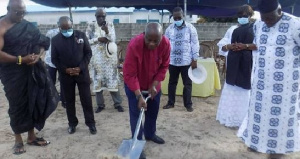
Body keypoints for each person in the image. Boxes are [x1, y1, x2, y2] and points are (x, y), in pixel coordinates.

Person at [237, 0, 300, 158]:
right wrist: (245, 46)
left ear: (279, 11)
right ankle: (257, 142)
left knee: (280, 119)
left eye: (270, 18)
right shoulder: (259, 25)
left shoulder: (295, 25)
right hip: (261, 82)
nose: (267, 22)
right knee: (258, 116)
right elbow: (260, 45)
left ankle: (277, 150)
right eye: (264, 18)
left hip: (284, 87)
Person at [0, 0, 58, 155]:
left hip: (30, 70)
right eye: (17, 12)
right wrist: (21, 59)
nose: (21, 15)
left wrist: (37, 57)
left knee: (32, 100)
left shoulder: (27, 26)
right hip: (12, 74)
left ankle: (31, 137)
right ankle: (18, 140)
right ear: (8, 9)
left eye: (23, 12)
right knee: (17, 104)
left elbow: (41, 42)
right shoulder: (1, 27)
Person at [123, 22, 170, 159]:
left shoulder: (166, 44)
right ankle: (137, 142)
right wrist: (138, 96)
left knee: (152, 112)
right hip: (134, 86)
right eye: (149, 39)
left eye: (156, 41)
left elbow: (164, 66)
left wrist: (154, 85)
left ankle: (150, 134)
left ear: (162, 37)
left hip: (153, 86)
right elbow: (130, 74)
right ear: (144, 35)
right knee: (136, 115)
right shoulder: (134, 45)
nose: (152, 43)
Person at [51, 16, 97, 135]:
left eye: (69, 28)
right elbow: (54, 59)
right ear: (59, 28)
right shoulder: (55, 40)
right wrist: (65, 70)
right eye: (64, 29)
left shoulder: (80, 35)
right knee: (69, 101)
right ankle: (72, 124)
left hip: (82, 74)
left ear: (72, 25)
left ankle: (91, 124)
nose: (67, 31)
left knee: (86, 100)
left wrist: (80, 68)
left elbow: (88, 53)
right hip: (66, 76)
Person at [216, 5, 256, 127]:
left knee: (245, 90)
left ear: (250, 16)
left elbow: (260, 45)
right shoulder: (232, 29)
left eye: (245, 16)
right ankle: (229, 117)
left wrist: (245, 46)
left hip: (247, 64)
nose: (242, 18)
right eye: (240, 16)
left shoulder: (255, 28)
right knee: (231, 88)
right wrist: (229, 46)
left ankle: (243, 120)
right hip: (233, 63)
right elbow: (222, 45)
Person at [86, 8, 124, 113]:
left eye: (103, 16)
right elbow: (86, 40)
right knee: (98, 81)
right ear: (95, 16)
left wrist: (106, 31)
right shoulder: (91, 26)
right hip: (96, 60)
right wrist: (97, 39)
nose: (101, 18)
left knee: (112, 81)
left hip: (109, 59)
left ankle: (118, 104)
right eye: (99, 16)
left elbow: (113, 39)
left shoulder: (110, 25)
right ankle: (100, 105)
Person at [164, 7, 200, 112]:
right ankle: (170, 103)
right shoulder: (169, 29)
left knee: (187, 84)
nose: (177, 20)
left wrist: (195, 59)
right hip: (173, 61)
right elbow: (165, 44)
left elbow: (195, 43)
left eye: (179, 17)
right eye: (175, 18)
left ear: (183, 16)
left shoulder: (190, 28)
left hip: (186, 61)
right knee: (172, 83)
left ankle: (188, 104)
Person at [45, 27, 66, 108]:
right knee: (51, 81)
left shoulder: (69, 33)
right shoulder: (51, 33)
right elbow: (46, 43)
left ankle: (64, 100)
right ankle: (51, 99)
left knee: (63, 81)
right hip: (50, 61)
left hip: (63, 61)